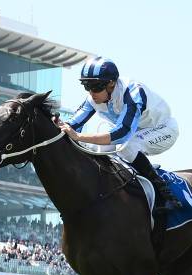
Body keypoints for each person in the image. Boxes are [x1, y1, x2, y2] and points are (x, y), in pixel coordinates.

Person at [58, 56, 181, 211]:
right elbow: (72, 124)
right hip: (135, 131)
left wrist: (79, 136)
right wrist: (57, 124)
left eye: (95, 86)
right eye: (86, 86)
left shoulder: (133, 92)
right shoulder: (93, 97)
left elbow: (122, 133)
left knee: (128, 146)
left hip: (163, 128)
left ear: (111, 83)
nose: (91, 93)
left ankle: (165, 194)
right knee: (99, 149)